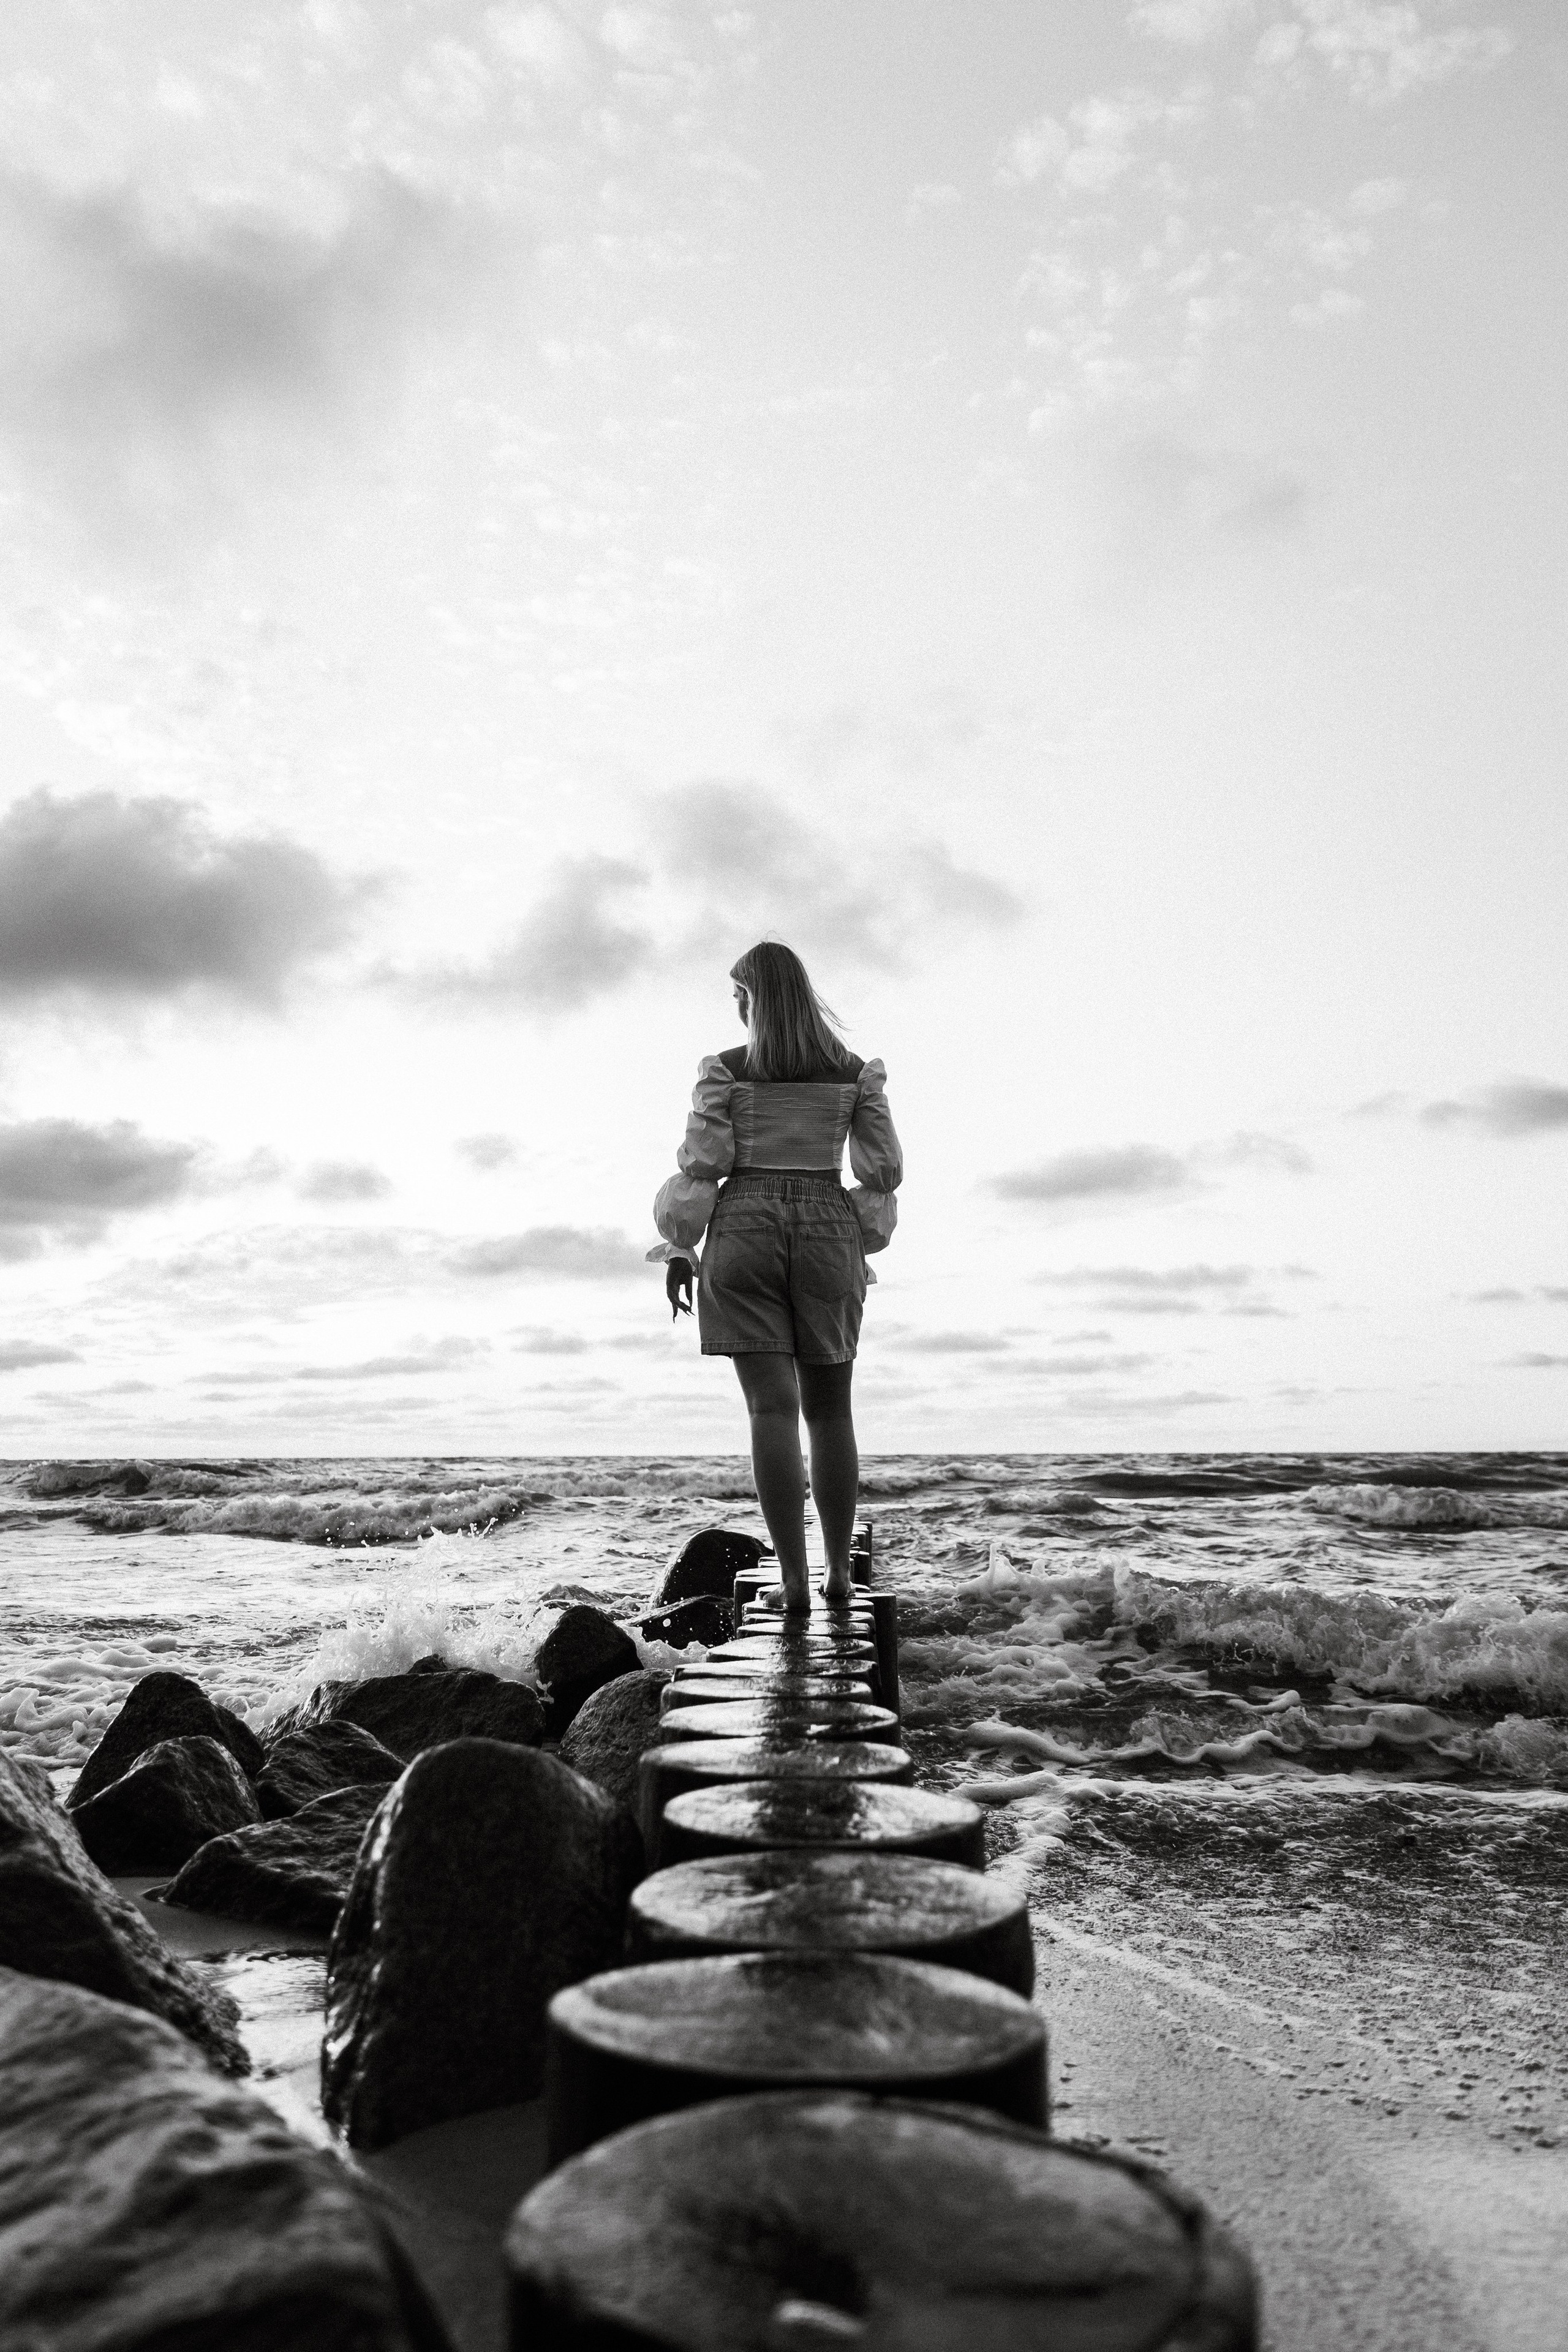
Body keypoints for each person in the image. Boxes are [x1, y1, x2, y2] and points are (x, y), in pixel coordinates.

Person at [647, 941, 903, 1613]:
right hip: (827, 1220)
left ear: (755, 999)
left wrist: (680, 1247)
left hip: (744, 1221)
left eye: (739, 995)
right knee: (830, 1410)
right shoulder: (855, 1074)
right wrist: (857, 1238)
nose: (736, 1007)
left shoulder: (724, 1071)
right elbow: (878, 1173)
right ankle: (838, 1576)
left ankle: (792, 1582)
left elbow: (703, 1164)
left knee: (770, 1410)